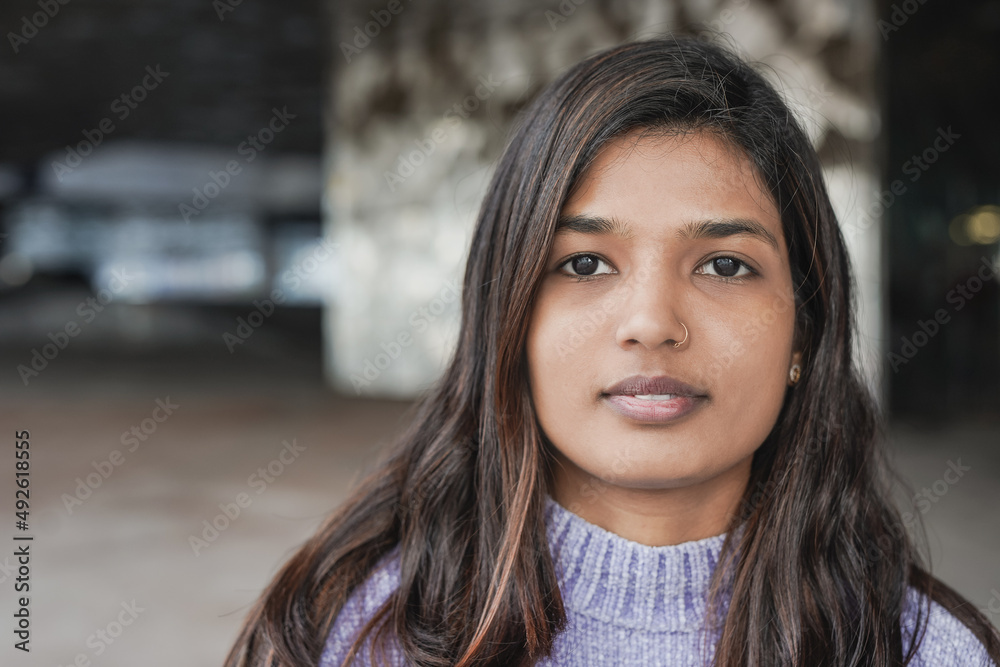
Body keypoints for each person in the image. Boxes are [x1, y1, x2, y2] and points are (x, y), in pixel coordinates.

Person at [224, 35, 1000, 666]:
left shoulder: (925, 652)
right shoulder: (359, 631)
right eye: (585, 263)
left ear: (807, 328)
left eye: (725, 265)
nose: (652, 322)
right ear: (509, 318)